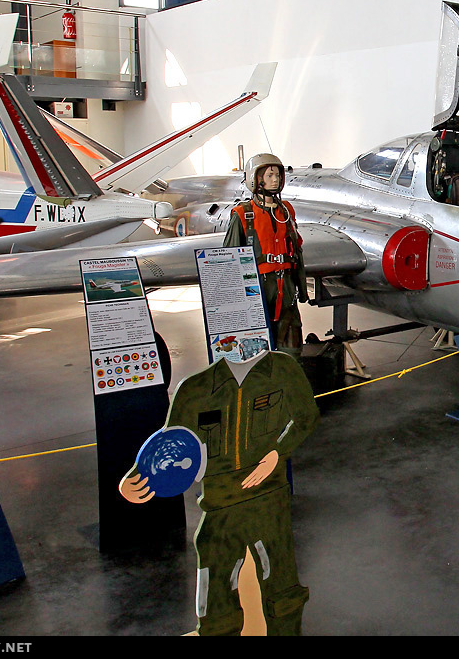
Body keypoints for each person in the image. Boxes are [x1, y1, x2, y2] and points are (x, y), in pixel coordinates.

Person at [119, 351, 319, 636]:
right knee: (214, 600)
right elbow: (169, 445)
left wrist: (278, 452)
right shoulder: (194, 390)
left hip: (269, 500)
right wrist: (137, 477)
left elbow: (306, 418)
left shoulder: (282, 370)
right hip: (220, 507)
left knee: (283, 588)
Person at [223, 154, 309, 352]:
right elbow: (230, 258)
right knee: (256, 345)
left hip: (286, 287)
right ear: (255, 178)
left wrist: (301, 288)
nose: (276, 179)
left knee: (292, 344)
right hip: (258, 287)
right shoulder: (243, 214)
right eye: (270, 175)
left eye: (278, 175)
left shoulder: (286, 211)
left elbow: (296, 249)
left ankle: (287, 378)